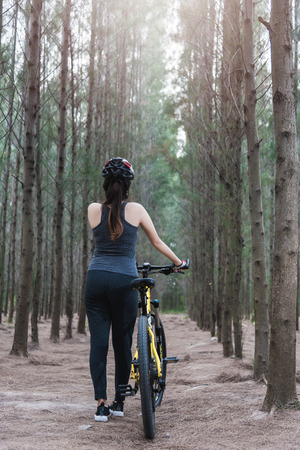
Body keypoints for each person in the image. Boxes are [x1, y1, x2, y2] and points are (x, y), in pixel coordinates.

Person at [84, 157, 186, 422]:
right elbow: (157, 241)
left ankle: (101, 405)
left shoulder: (93, 209)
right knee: (122, 343)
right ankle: (119, 401)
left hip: (96, 279)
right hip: (124, 281)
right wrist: (178, 262)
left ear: (106, 184)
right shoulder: (137, 210)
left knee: (98, 342)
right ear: (128, 185)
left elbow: (106, 234)